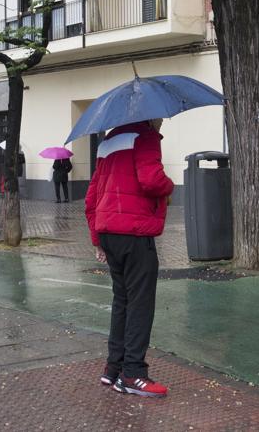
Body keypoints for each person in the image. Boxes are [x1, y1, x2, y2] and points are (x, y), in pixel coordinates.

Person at [85, 119, 174, 398]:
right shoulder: (146, 137)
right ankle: (133, 374)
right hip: (135, 233)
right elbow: (151, 181)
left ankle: (113, 368)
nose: (162, 122)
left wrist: (97, 239)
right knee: (140, 303)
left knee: (121, 300)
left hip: (109, 230)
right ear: (151, 115)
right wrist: (169, 185)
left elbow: (92, 196)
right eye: (161, 117)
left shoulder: (108, 142)